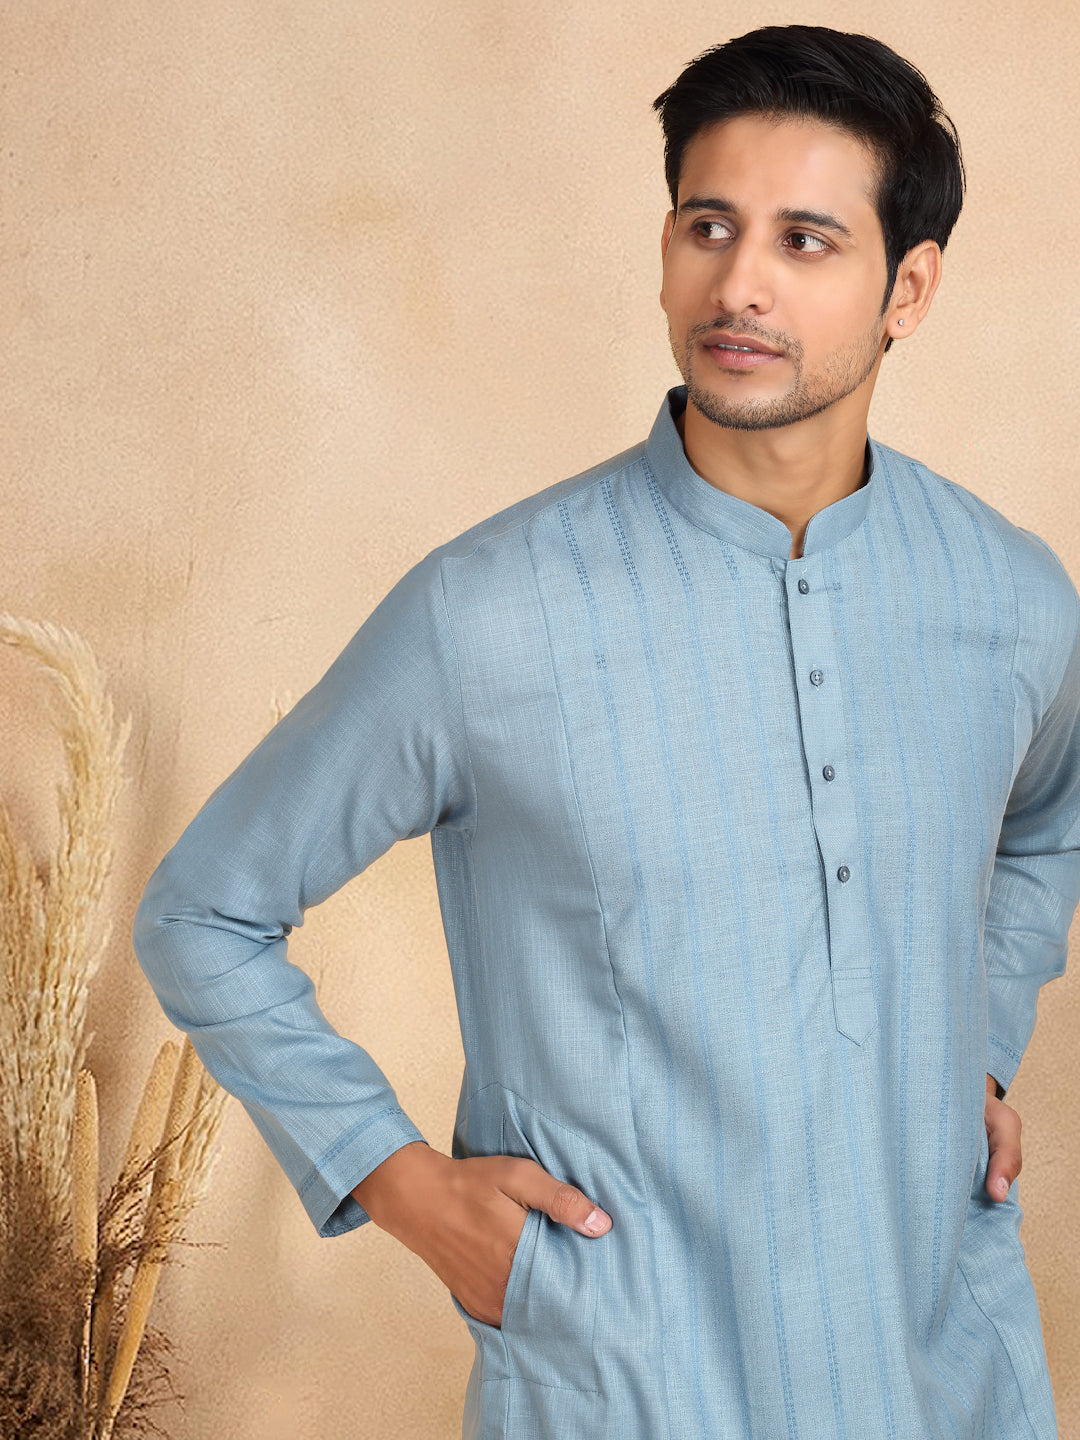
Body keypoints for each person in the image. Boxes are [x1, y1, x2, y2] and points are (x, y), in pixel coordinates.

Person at [132, 23, 1078, 1439]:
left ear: (910, 286)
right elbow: (203, 911)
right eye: (709, 224)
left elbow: (1049, 822)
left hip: (945, 1376)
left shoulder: (1006, 597)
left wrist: (979, 1048)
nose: (739, 283)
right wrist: (400, 1181)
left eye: (806, 241)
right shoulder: (489, 613)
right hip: (623, 1377)